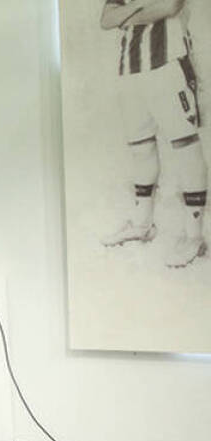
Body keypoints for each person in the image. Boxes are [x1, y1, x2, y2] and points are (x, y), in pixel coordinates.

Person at [99, 0, 207, 267]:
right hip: (130, 70)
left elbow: (171, 6)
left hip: (168, 64)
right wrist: (144, 9)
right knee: (141, 148)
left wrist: (127, 14)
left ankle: (194, 237)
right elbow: (107, 19)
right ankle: (141, 224)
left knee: (185, 146)